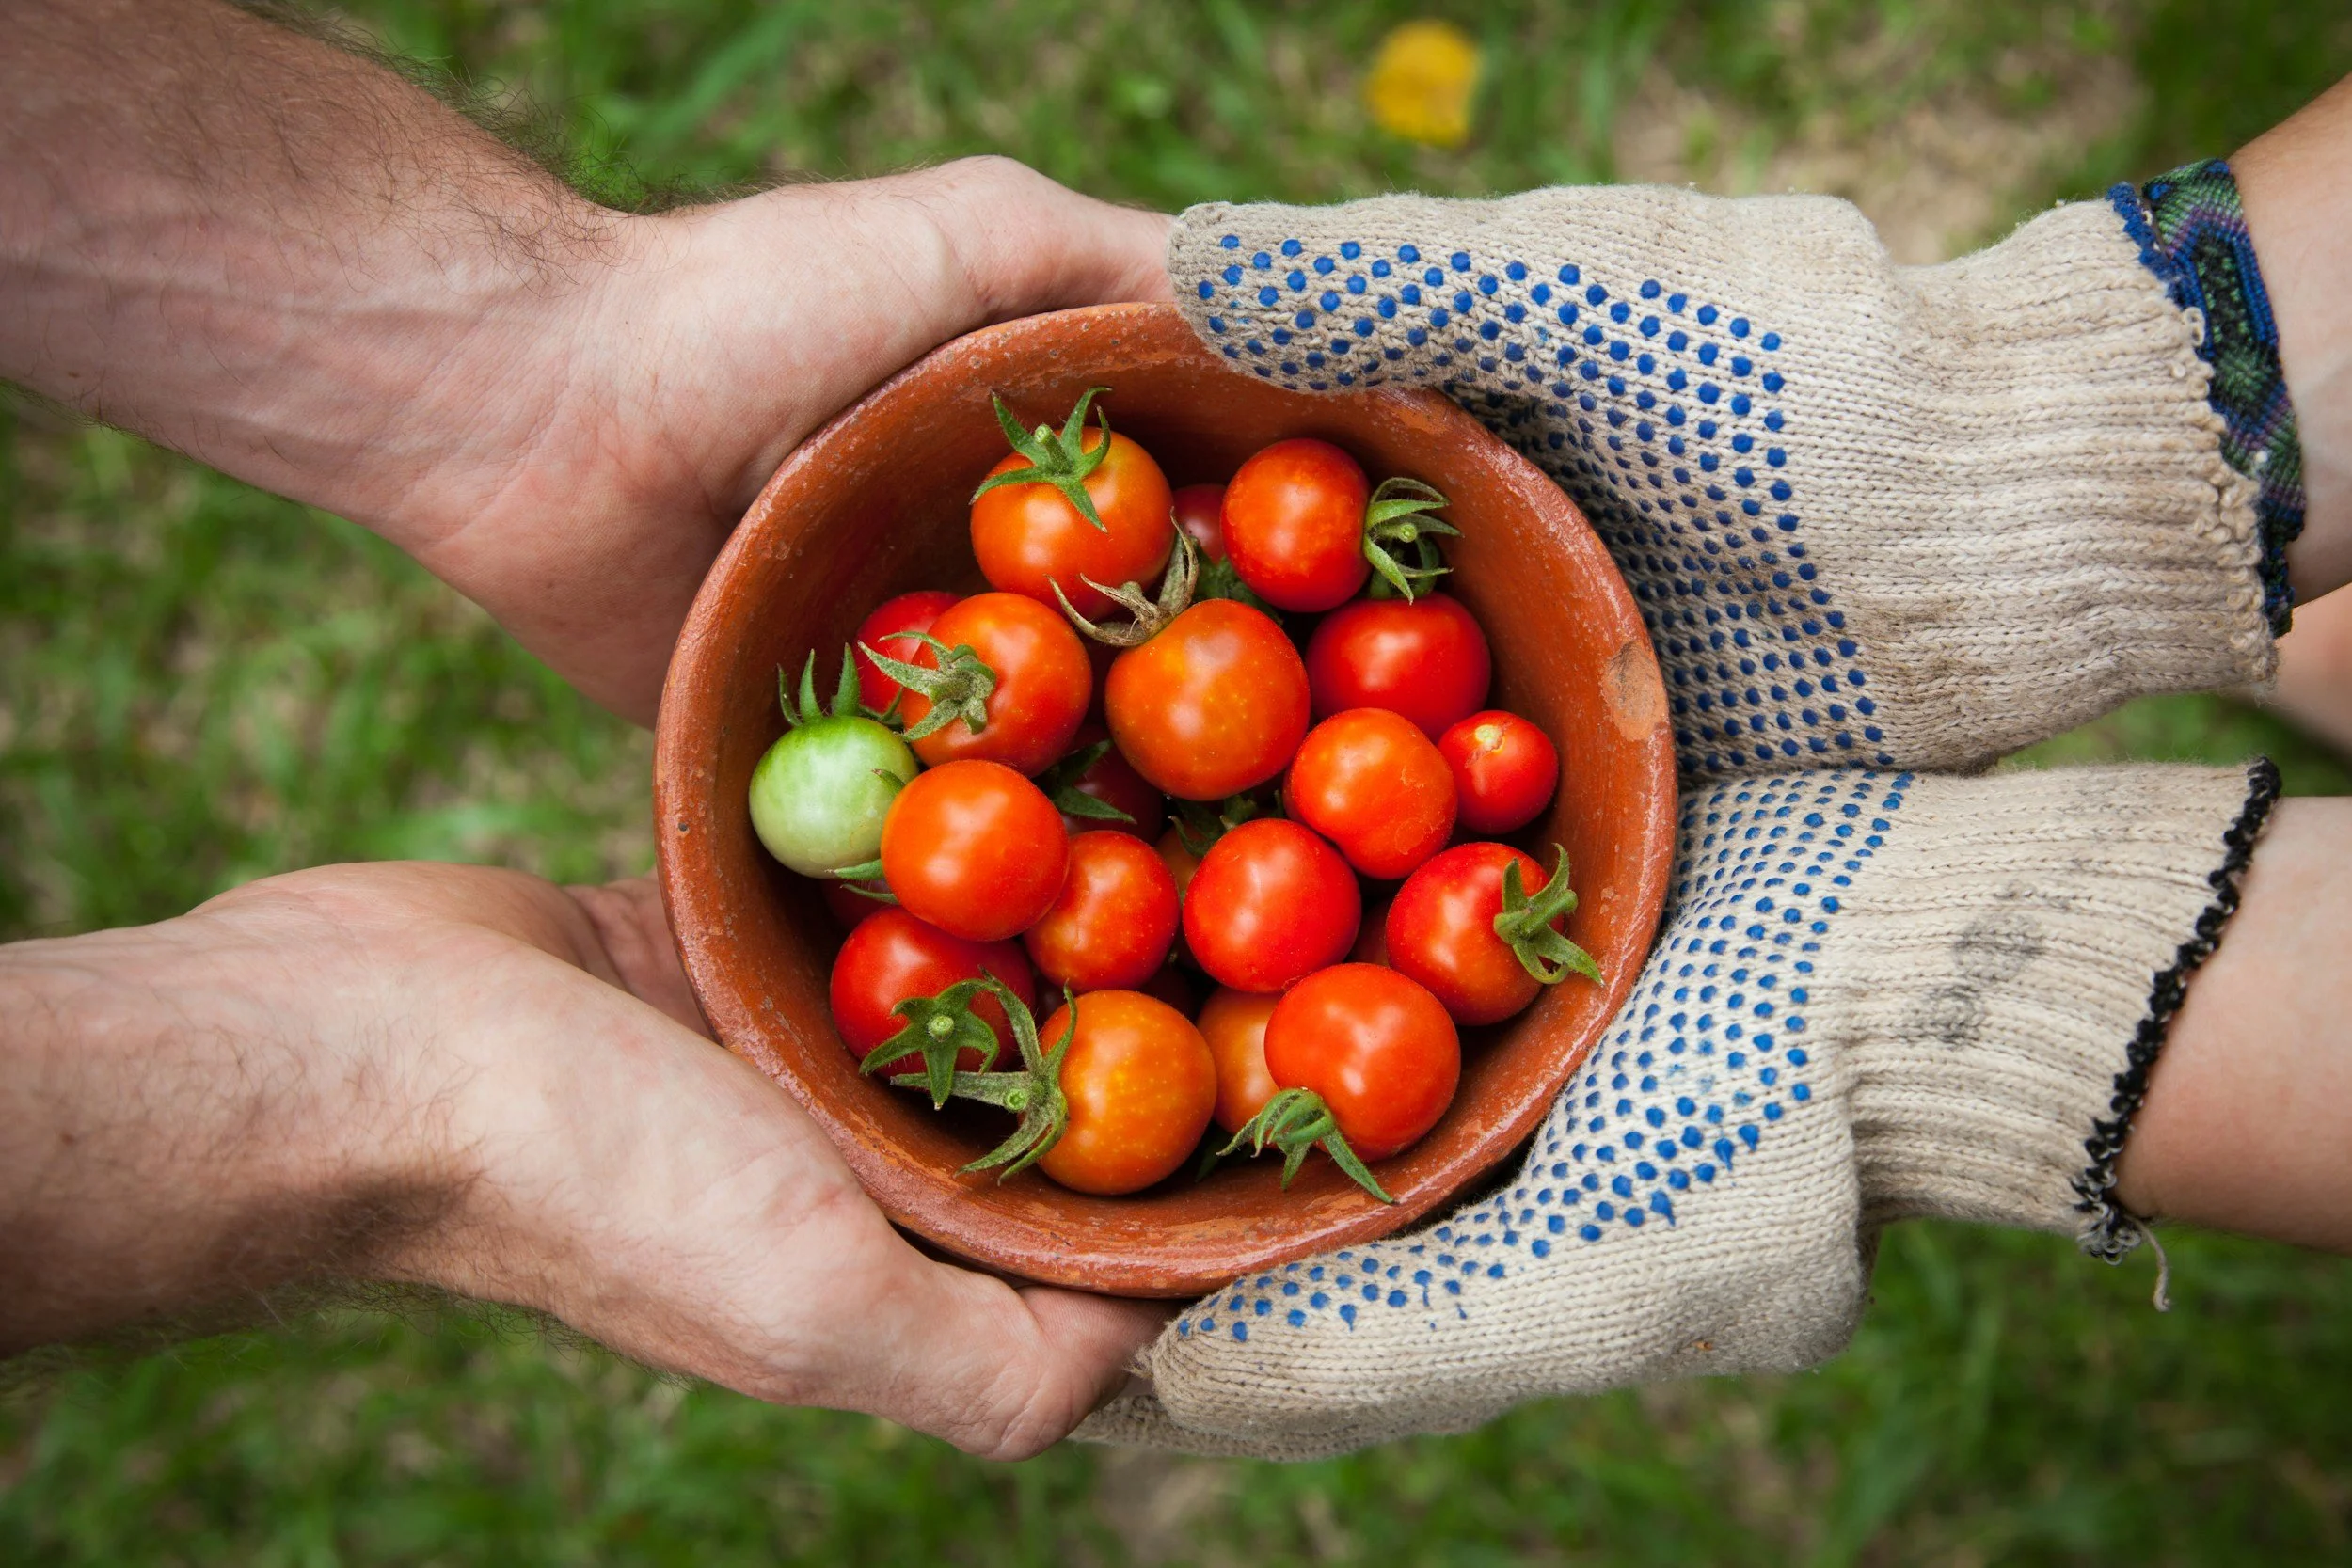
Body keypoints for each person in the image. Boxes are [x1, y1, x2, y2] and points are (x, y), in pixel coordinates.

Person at [2, 0, 2345, 1461]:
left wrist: (2061, 428)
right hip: (1320, 874)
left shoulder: (1127, 761)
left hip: (1330, 840)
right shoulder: (1124, 830)